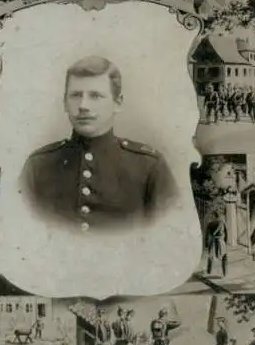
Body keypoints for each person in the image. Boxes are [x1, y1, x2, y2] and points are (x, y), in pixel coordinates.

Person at [19, 56, 178, 230]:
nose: (83, 105)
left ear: (118, 103)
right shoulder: (38, 165)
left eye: (95, 96)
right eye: (76, 95)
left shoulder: (149, 167)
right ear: (64, 102)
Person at [204, 211, 228, 278]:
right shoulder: (222, 223)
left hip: (213, 242)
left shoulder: (210, 224)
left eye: (211, 216)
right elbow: (226, 233)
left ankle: (209, 271)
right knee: (224, 257)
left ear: (213, 216)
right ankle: (224, 273)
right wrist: (225, 242)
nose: (211, 217)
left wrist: (206, 244)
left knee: (210, 256)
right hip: (221, 241)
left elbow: (206, 235)